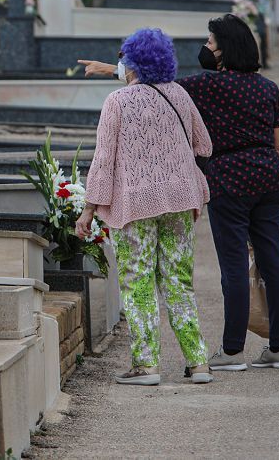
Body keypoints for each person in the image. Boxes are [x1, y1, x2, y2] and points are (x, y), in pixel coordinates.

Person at [79, 14, 279, 371]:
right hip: (262, 180)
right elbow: (270, 147)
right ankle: (269, 350)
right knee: (268, 262)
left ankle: (221, 354)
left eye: (211, 43)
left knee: (224, 268)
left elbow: (145, 97)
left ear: (224, 50)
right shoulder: (266, 88)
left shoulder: (202, 86)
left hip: (221, 183)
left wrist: (110, 70)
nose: (206, 48)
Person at [78, 28, 214, 386]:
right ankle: (198, 362)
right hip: (181, 199)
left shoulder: (117, 102)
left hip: (135, 203)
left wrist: (89, 209)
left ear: (132, 62)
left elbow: (103, 160)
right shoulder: (180, 95)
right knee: (179, 280)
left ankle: (146, 365)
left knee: (137, 282)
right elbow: (205, 145)